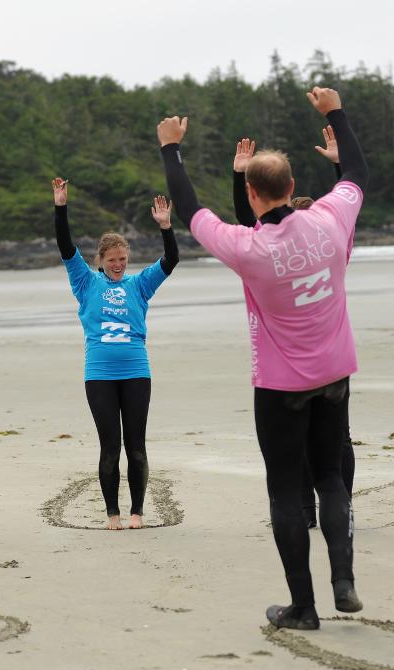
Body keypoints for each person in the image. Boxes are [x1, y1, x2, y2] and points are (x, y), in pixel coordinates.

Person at [157, 87, 368, 630]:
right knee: (331, 480)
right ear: (294, 188)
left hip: (281, 387)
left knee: (284, 491)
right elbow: (357, 174)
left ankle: (303, 606)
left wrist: (170, 150)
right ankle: (343, 579)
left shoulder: (248, 249)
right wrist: (334, 114)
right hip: (335, 377)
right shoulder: (329, 221)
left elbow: (190, 208)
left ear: (251, 194)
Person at [233, 128, 356, 529]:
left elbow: (348, 198)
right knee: (321, 444)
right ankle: (315, 511)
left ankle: (333, 509)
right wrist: (342, 165)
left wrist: (341, 165)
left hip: (304, 364)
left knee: (332, 443)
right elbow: (247, 222)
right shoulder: (315, 242)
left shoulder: (327, 242)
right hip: (333, 361)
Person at [52, 178, 179, 530]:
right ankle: (113, 514)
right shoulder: (85, 282)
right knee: (110, 447)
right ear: (101, 260)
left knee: (136, 445)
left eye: (123, 259)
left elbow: (171, 260)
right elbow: (65, 246)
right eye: (112, 260)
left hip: (137, 371)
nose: (119, 264)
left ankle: (137, 512)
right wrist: (61, 207)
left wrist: (166, 227)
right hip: (100, 375)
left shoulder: (139, 284)